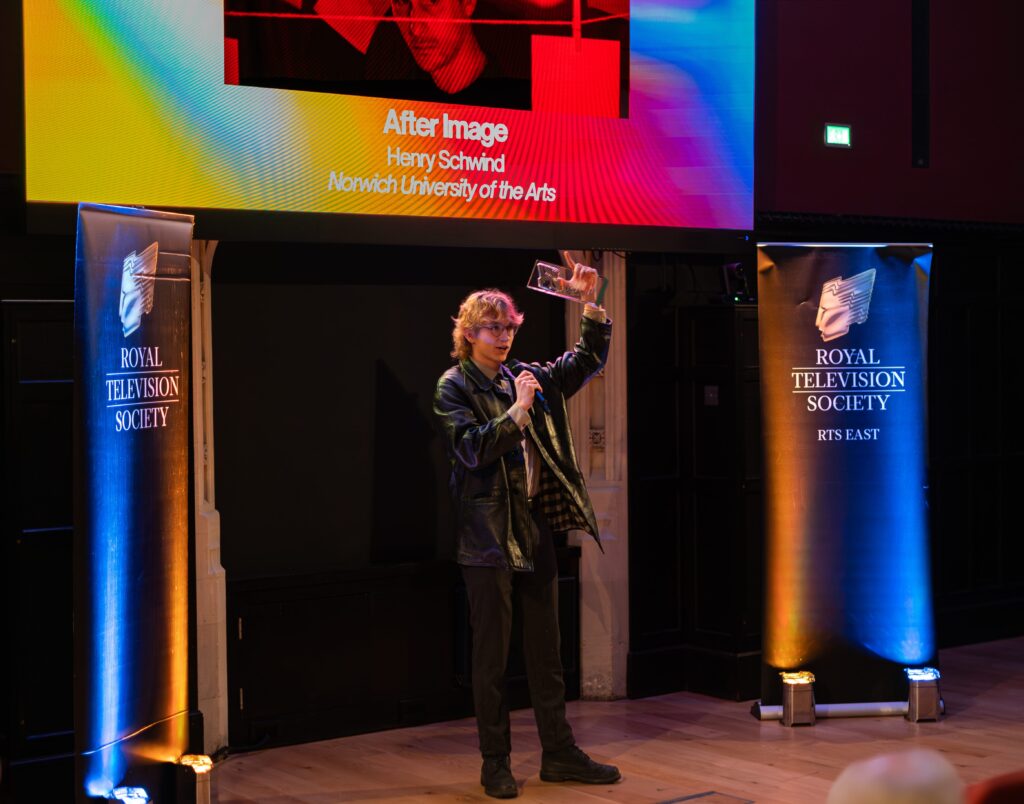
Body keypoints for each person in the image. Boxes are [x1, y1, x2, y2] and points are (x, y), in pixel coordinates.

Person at [433, 268, 620, 799]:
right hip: (487, 537)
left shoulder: (526, 374)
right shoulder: (455, 385)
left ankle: (559, 754)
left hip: (532, 529)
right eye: (492, 327)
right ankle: (496, 763)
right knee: (491, 661)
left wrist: (593, 303)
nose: (504, 335)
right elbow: (469, 449)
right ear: (468, 333)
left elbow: (585, 360)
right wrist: (517, 412)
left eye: (509, 326)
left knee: (547, 652)